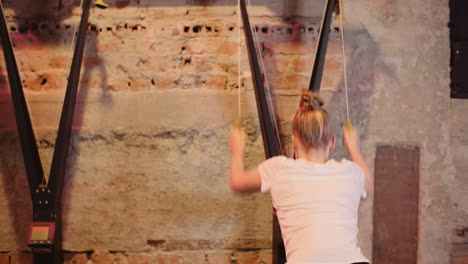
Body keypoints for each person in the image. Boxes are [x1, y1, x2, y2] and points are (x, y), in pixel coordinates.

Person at [228, 90, 373, 264]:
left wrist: (237, 150)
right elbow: (369, 187)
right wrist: (354, 148)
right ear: (332, 143)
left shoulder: (278, 169)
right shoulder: (350, 171)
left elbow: (237, 182)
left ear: (294, 140)